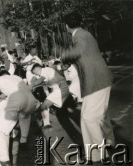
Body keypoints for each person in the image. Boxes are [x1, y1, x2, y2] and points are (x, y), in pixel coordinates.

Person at [61, 12, 114, 163]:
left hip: (96, 81)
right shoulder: (85, 34)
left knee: (89, 118)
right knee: (96, 117)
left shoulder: (79, 36)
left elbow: (77, 51)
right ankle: (102, 150)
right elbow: (83, 56)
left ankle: (102, 154)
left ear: (66, 26)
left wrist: (61, 54)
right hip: (100, 80)